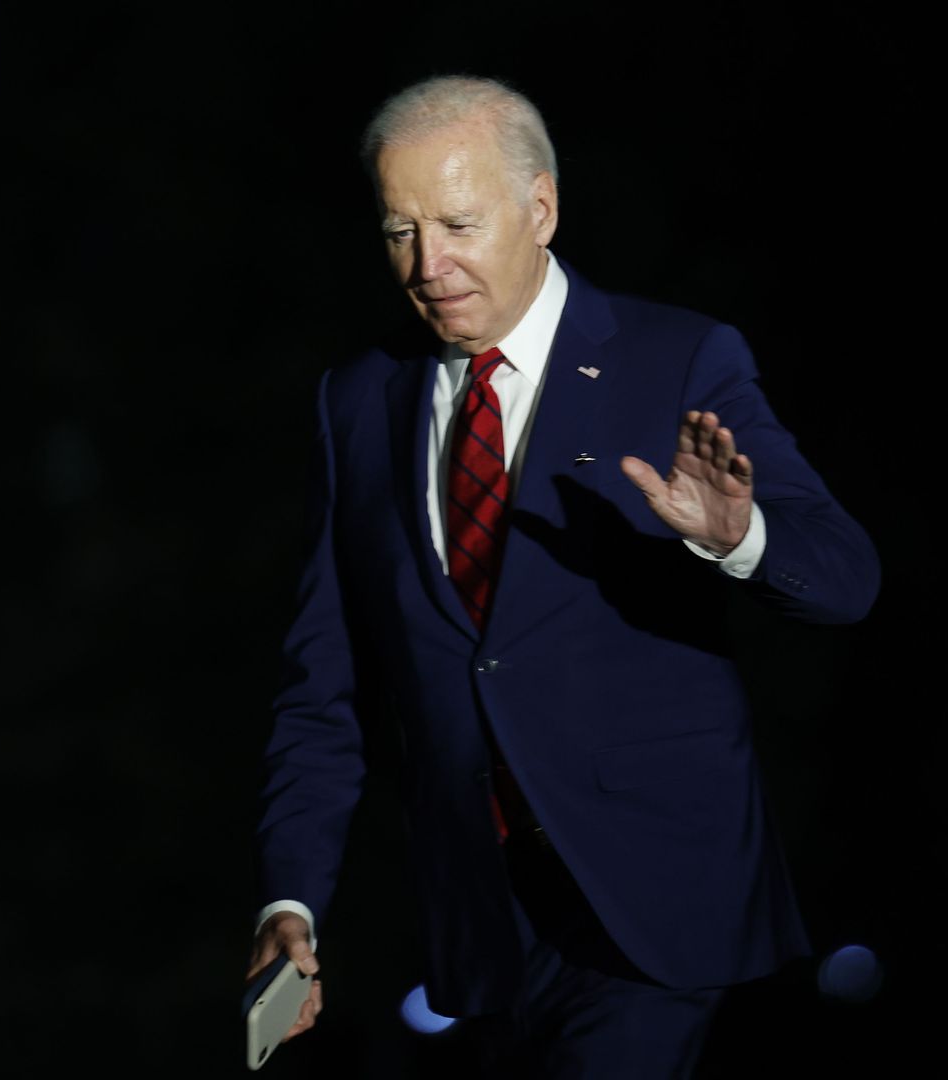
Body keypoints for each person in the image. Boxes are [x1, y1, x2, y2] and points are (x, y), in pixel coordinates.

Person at [246, 75, 879, 1076]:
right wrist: (291, 898)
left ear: (540, 208)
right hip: (482, 933)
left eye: (459, 225)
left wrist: (740, 535)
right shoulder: (359, 399)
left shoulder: (676, 359)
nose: (429, 266)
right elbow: (324, 686)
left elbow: (846, 578)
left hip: (658, 908)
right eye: (400, 232)